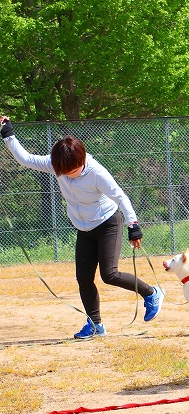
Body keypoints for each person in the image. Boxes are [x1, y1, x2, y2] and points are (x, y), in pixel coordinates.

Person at [1, 117, 163, 339]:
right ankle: (96, 325)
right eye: (63, 171)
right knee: (84, 279)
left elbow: (121, 197)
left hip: (108, 223)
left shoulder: (97, 173)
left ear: (82, 160)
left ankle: (152, 293)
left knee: (110, 274)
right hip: (84, 229)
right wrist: (8, 135)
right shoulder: (57, 165)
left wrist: (133, 226)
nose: (68, 174)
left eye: (72, 170)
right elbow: (25, 159)